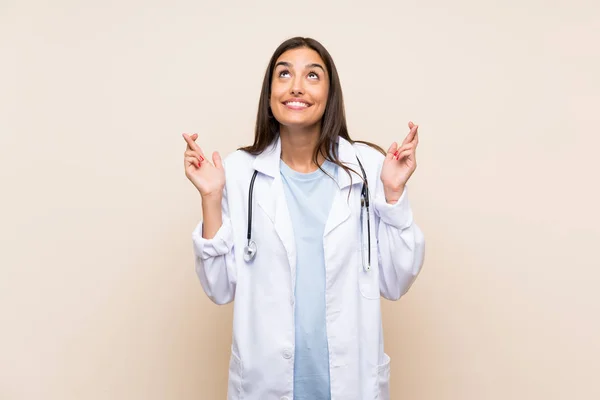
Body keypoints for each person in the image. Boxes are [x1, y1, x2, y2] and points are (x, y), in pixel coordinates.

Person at [182, 37, 425, 400]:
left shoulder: (369, 168)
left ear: (330, 94)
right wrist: (211, 198)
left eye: (312, 76)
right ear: (269, 94)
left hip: (349, 383)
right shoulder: (237, 173)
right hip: (266, 383)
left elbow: (395, 280)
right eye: (284, 74)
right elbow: (219, 288)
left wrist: (392, 194)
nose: (296, 86)